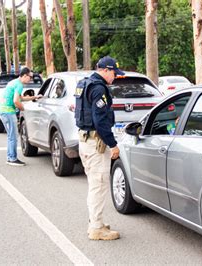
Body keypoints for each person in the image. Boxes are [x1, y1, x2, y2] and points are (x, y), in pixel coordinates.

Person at [74, 56, 123, 241]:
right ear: (105, 70)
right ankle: (96, 228)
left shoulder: (84, 83)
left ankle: (96, 222)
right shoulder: (98, 88)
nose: (115, 77)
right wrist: (113, 144)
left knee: (95, 185)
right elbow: (100, 121)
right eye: (114, 73)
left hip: (85, 141)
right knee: (99, 185)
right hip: (96, 144)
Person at [0, 67, 42, 166]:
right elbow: (16, 101)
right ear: (25, 75)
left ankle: (10, 157)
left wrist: (34, 97)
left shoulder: (14, 82)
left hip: (4, 111)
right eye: (30, 77)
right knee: (13, 136)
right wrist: (23, 109)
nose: (30, 79)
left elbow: (20, 98)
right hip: (8, 112)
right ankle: (12, 158)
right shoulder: (19, 85)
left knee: (11, 136)